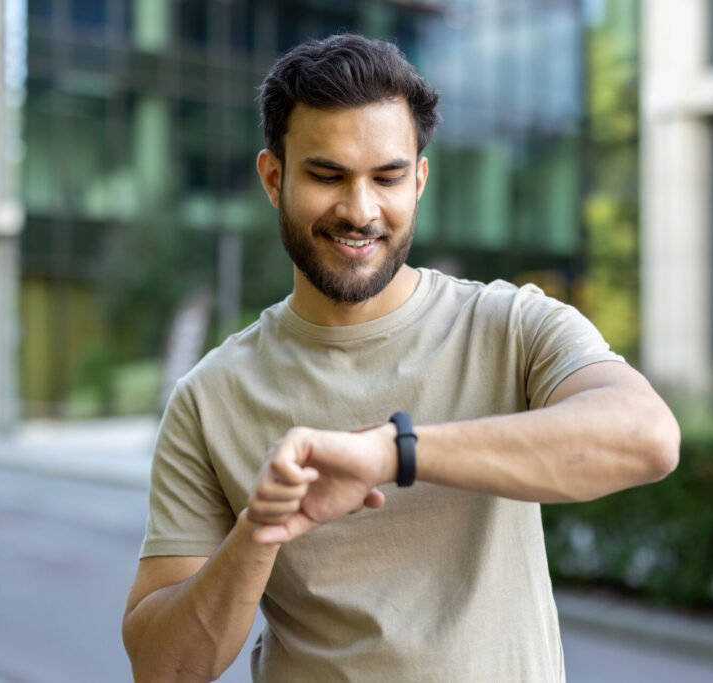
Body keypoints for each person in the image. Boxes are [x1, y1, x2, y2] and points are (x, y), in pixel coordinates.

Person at [122, 33, 679, 682]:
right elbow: (163, 669)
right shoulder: (208, 395)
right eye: (326, 175)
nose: (360, 210)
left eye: (386, 177)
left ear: (419, 180)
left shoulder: (511, 324)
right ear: (274, 179)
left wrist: (393, 452)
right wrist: (258, 530)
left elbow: (648, 437)